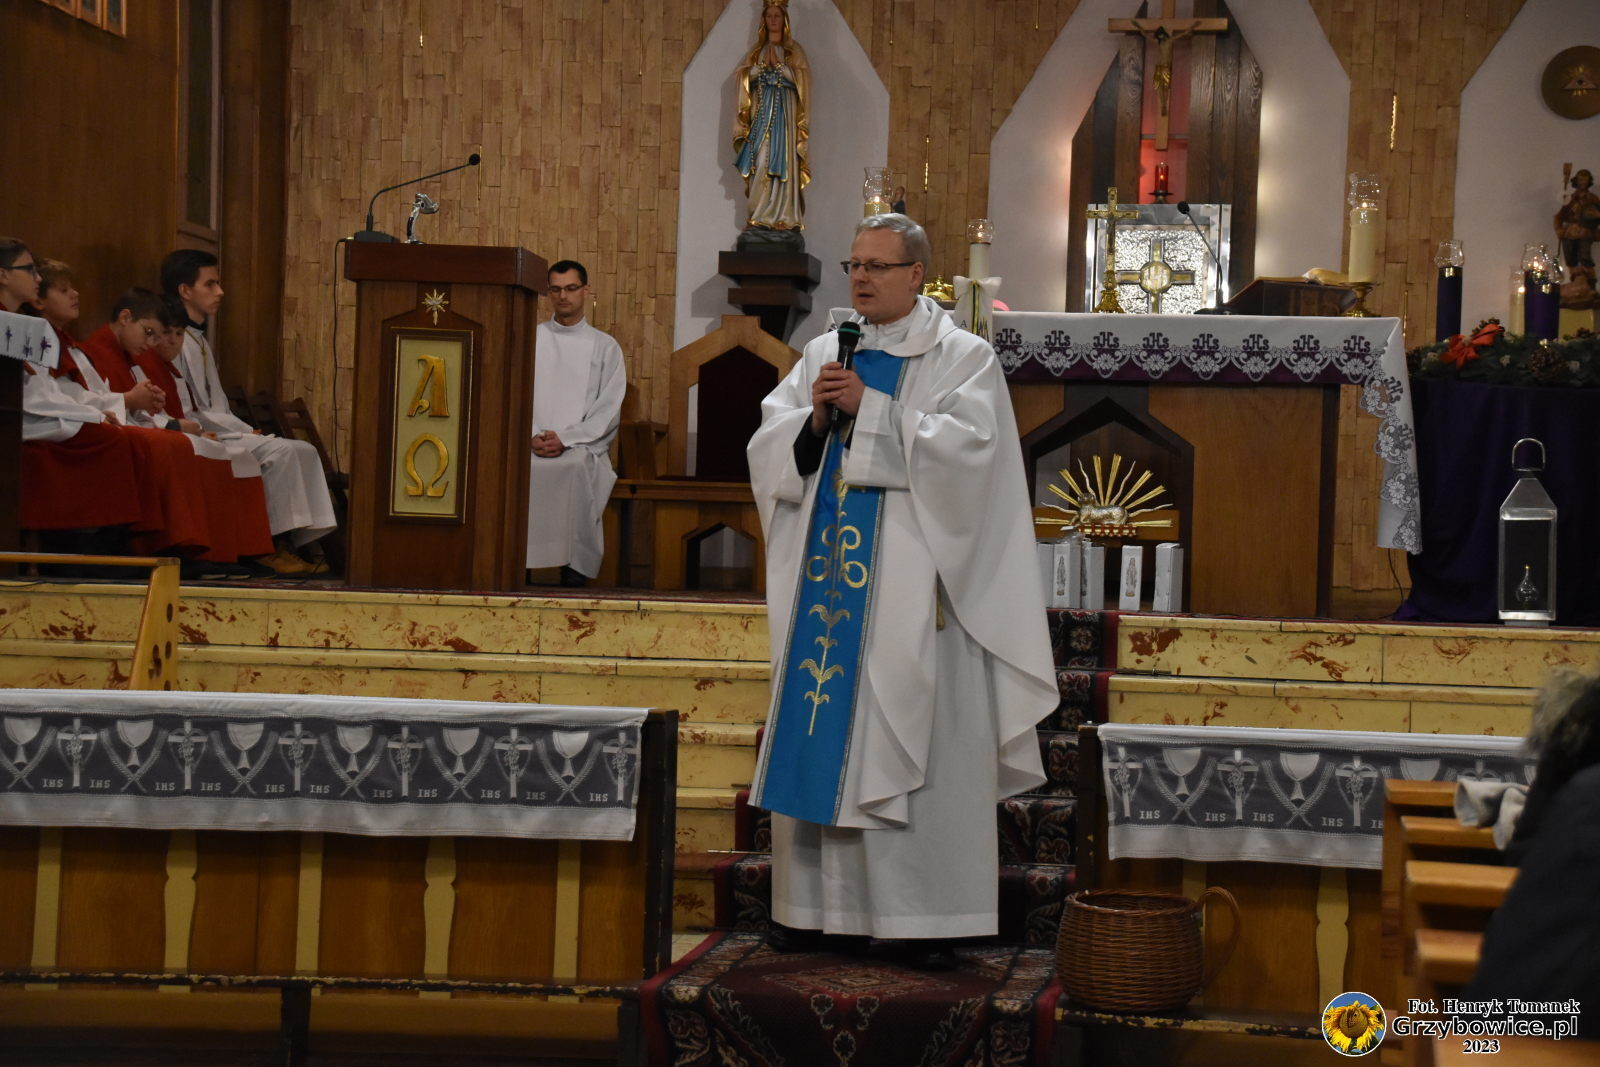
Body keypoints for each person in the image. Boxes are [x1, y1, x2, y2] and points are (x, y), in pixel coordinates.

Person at [745, 213, 1058, 966]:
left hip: (915, 596)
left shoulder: (962, 357)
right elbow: (771, 442)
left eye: (878, 266)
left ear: (917, 274)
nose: (861, 278)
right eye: (854, 264)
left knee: (910, 741)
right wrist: (815, 422)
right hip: (828, 590)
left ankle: (925, 918)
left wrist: (874, 410)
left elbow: (974, 461)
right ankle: (810, 910)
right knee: (820, 732)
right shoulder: (824, 350)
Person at [161, 249, 337, 574]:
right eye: (210, 284)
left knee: (304, 450)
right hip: (201, 433)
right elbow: (193, 408)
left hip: (223, 428)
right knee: (282, 452)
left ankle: (299, 544)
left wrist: (242, 428)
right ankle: (268, 546)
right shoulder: (176, 341)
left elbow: (216, 402)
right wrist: (240, 431)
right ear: (185, 290)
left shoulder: (198, 340)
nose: (220, 292)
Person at [81, 288, 276, 574]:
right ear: (125, 318)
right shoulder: (97, 352)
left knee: (218, 451)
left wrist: (154, 406)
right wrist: (165, 421)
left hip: (137, 428)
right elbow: (107, 405)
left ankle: (230, 552)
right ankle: (171, 547)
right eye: (149, 333)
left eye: (157, 335)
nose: (152, 343)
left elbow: (140, 407)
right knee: (182, 446)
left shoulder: (128, 356)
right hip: (113, 431)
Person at [5, 237, 145, 552]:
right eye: (29, 270)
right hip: (18, 421)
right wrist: (92, 414)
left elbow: (43, 389)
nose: (36, 278)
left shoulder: (25, 325)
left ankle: (102, 540)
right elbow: (29, 396)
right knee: (109, 438)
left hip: (31, 414)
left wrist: (92, 413)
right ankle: (87, 543)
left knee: (109, 434)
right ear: (3, 275)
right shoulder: (9, 326)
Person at [527, 260, 626, 586]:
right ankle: (518, 569)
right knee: (518, 469)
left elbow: (609, 408)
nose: (563, 296)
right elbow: (513, 392)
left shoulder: (605, 347)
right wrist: (531, 435)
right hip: (531, 446)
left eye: (571, 288)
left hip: (581, 446)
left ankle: (573, 574)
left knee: (577, 466)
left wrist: (567, 439)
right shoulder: (530, 339)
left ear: (586, 290)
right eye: (556, 289)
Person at [732, 1, 809, 234]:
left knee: (784, 163)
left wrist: (782, 69)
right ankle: (758, 215)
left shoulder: (794, 51)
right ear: (763, 20)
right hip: (761, 115)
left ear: (784, 19)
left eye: (777, 15)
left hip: (784, 121)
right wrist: (757, 71)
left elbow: (804, 81)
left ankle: (784, 217)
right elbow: (742, 77)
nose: (773, 20)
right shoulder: (756, 52)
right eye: (769, 16)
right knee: (760, 160)